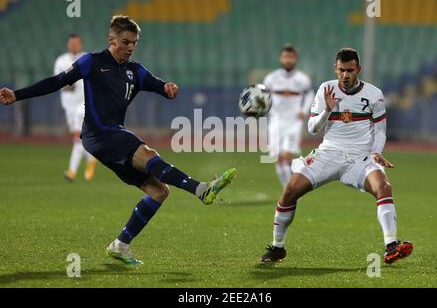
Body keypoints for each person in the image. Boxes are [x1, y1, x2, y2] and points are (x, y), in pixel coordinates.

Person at [0, 15, 236, 265]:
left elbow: (160, 86)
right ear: (111, 40)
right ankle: (201, 190)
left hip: (111, 136)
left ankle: (121, 245)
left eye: (134, 42)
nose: (131, 47)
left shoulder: (136, 71)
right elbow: (57, 82)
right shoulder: (92, 61)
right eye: (125, 42)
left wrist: (169, 88)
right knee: (148, 154)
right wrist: (17, 95)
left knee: (158, 191)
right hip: (98, 133)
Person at [260, 48, 413, 265]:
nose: (345, 75)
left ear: (358, 69)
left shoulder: (374, 94)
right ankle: (277, 247)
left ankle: (391, 246)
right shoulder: (326, 89)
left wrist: (376, 152)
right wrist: (327, 110)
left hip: (360, 157)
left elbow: (380, 130)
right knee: (289, 192)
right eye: (341, 70)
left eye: (350, 70)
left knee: (383, 187)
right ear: (335, 68)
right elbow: (313, 128)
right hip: (328, 154)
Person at [263, 44, 314, 187]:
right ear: (281, 58)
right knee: (279, 158)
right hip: (276, 121)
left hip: (294, 122)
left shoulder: (302, 79)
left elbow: (310, 94)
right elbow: (263, 96)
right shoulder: (271, 78)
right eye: (286, 57)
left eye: (291, 57)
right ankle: (290, 188)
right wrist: (263, 109)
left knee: (288, 157)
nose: (288, 60)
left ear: (296, 59)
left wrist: (304, 110)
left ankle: (289, 190)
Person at [54, 34, 97, 181]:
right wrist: (66, 85)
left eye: (76, 43)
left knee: (78, 137)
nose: (73, 46)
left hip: (84, 103)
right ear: (68, 44)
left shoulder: (86, 59)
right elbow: (57, 81)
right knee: (79, 136)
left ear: (81, 44)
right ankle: (91, 159)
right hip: (68, 104)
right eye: (71, 43)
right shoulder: (61, 61)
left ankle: (71, 171)